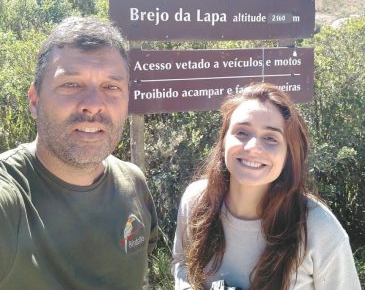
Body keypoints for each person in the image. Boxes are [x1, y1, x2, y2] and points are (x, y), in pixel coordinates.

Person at [0, 17, 158, 290]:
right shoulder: (11, 200)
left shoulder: (133, 183)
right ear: (35, 101)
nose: (93, 105)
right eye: (71, 85)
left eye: (111, 87)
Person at [172, 83, 361, 290]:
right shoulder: (197, 200)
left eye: (271, 138)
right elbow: (182, 264)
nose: (253, 147)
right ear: (223, 141)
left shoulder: (319, 228)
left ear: (289, 154)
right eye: (242, 132)